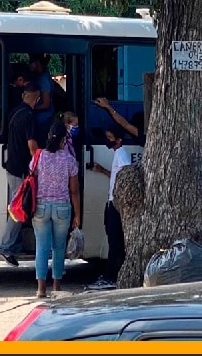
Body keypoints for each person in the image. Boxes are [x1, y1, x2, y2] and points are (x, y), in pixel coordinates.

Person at [30, 122, 80, 298]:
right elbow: (74, 190)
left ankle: (41, 289)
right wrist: (77, 215)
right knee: (58, 248)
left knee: (41, 247)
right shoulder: (69, 160)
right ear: (64, 140)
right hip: (62, 207)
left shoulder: (39, 157)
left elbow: (33, 178)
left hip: (41, 206)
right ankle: (57, 287)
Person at [0, 82, 40, 267]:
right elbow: (32, 146)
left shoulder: (14, 112)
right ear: (34, 97)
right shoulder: (29, 116)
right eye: (37, 98)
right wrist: (38, 165)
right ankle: (6, 246)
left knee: (17, 207)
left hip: (11, 166)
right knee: (19, 209)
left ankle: (15, 244)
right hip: (21, 169)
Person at [86, 124, 132, 290]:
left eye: (110, 138)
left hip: (115, 203)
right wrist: (103, 171)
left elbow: (127, 177)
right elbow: (116, 176)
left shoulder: (122, 155)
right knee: (113, 238)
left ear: (118, 140)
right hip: (111, 201)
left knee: (115, 241)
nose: (108, 141)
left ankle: (111, 276)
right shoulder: (118, 154)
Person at [28, 53, 55, 149]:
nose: (29, 65)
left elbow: (46, 104)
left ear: (37, 63)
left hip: (43, 121)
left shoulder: (43, 79)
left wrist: (31, 108)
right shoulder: (43, 76)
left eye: (30, 62)